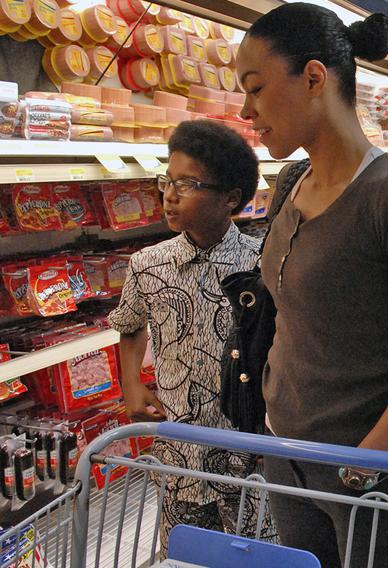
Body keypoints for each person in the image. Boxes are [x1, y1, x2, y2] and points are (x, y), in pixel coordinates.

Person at [236, 5, 388, 567]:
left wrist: (364, 462)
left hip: (372, 472)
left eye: (255, 88)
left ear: (313, 78)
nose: (246, 111)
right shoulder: (292, 183)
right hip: (288, 454)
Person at [109, 120, 275, 553]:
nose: (170, 193)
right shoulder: (148, 264)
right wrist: (131, 383)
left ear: (231, 199)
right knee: (185, 553)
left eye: (189, 183)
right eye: (168, 180)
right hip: (180, 450)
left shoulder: (263, 266)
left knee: (254, 553)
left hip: (249, 450)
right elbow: (129, 324)